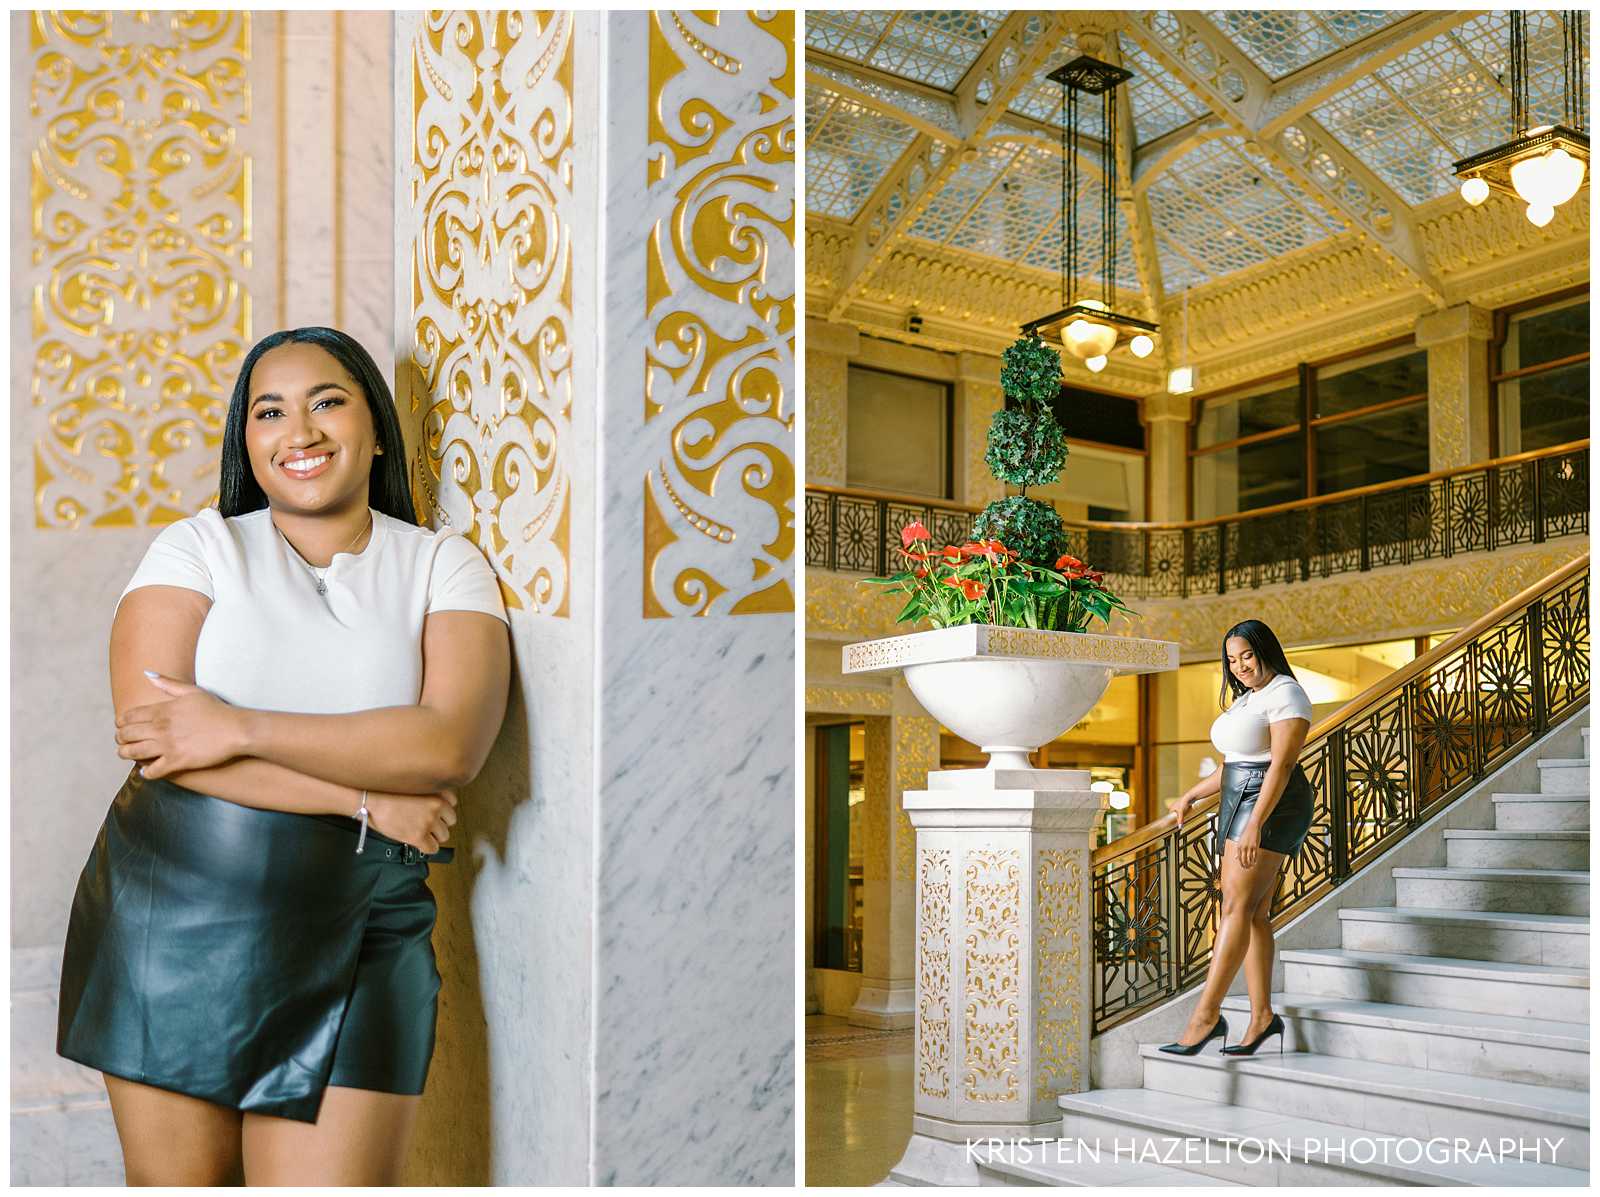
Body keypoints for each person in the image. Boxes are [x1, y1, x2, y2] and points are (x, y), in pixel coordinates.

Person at [55, 327, 512, 1184]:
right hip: (173, 921)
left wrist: (237, 726)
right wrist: (366, 802)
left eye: (327, 401)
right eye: (270, 411)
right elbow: (159, 741)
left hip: (365, 931)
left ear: (376, 428)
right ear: (248, 441)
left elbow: (443, 744)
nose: (298, 431)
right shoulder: (197, 547)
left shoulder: (442, 565)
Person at [1160, 619, 1314, 1058]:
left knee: (1235, 907)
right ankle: (1263, 1017)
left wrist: (1254, 825)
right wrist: (1191, 794)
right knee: (1254, 914)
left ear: (1265, 650)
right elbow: (1234, 765)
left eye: (1247, 655)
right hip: (1239, 796)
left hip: (1271, 802)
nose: (1240, 666)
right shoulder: (1250, 698)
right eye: (1232, 659)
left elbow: (1280, 766)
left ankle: (1206, 1018)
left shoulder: (1286, 692)